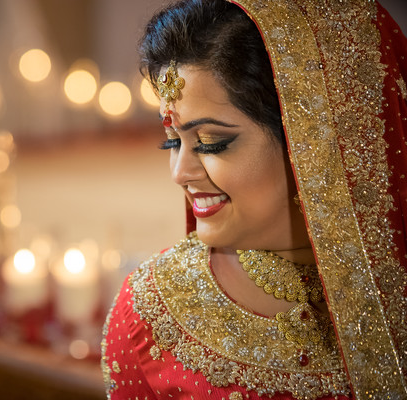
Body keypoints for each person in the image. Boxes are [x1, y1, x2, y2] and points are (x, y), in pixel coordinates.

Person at [101, 0, 407, 399]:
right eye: (173, 142)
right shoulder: (152, 317)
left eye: (212, 142)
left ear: (318, 141)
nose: (179, 172)